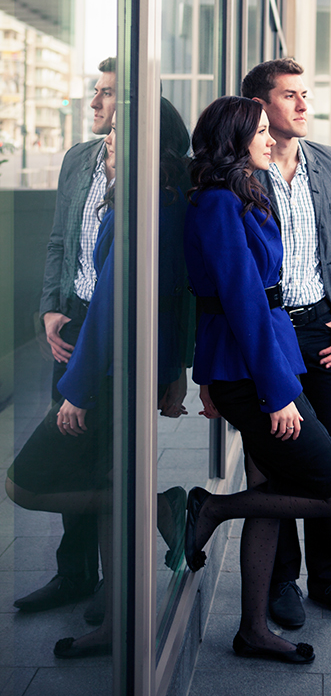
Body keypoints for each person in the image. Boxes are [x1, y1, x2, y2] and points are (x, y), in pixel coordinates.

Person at [6, 100, 191, 658]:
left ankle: (157, 509)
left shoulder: (139, 208)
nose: (105, 147)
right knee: (113, 484)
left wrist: (76, 391)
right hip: (120, 362)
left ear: (148, 151)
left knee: (24, 482)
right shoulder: (163, 201)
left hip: (110, 370)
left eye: (115, 142)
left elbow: (115, 307)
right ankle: (116, 622)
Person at [184, 96, 331, 664]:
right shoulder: (216, 203)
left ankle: (253, 630)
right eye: (260, 131)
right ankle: (209, 510)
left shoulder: (243, 194)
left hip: (266, 358)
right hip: (251, 368)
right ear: (235, 141)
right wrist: (277, 391)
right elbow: (239, 303)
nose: (269, 138)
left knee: (266, 495)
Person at [240, 58, 331, 627]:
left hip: (321, 329)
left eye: (306, 95)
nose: (303, 105)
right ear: (260, 107)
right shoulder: (236, 169)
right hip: (269, 333)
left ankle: (329, 578)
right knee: (280, 458)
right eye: (290, 95)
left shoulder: (329, 162)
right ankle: (282, 583)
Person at [13, 58, 116, 615]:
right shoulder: (80, 158)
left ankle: (115, 583)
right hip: (74, 321)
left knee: (110, 453)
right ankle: (74, 574)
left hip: (119, 325)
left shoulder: (156, 166)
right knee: (70, 443)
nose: (94, 104)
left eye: (106, 95)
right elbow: (58, 240)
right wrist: (51, 309)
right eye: (95, 92)